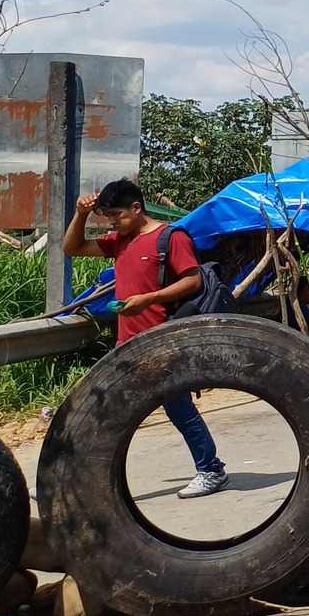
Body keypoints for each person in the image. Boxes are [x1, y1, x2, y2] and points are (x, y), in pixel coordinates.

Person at [64, 178, 228, 500]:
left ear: (136, 208)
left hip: (159, 341)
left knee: (178, 409)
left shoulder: (170, 238)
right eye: (107, 216)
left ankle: (211, 469)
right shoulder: (120, 240)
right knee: (103, 408)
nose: (112, 222)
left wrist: (149, 298)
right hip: (127, 344)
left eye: (116, 215)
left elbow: (193, 281)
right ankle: (77, 478)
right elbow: (73, 248)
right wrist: (81, 214)